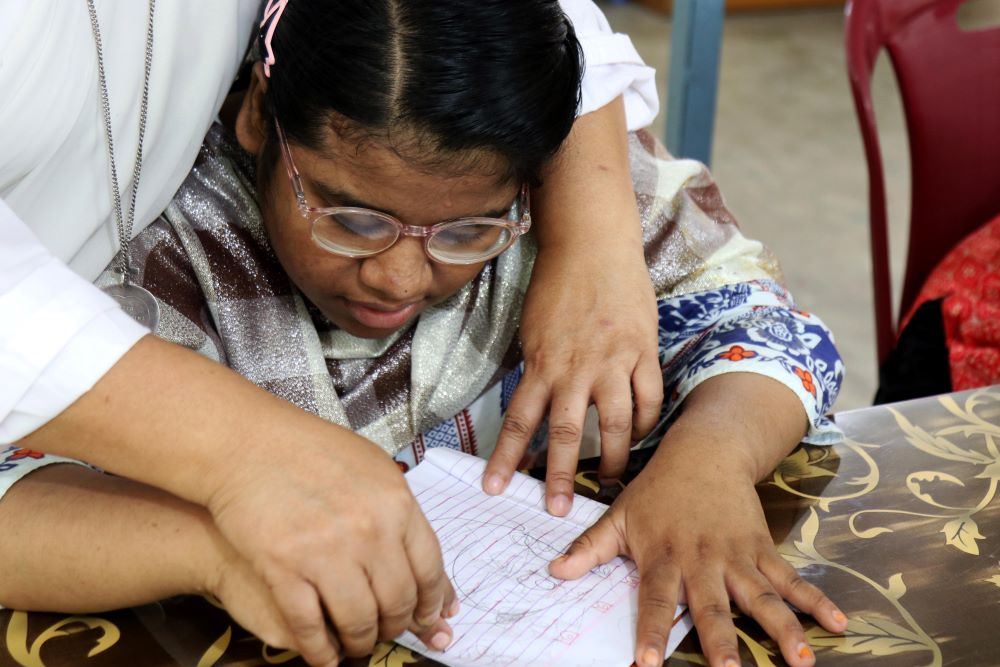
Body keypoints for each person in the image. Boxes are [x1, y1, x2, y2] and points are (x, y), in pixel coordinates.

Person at [0, 1, 849, 666]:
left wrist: (712, 458)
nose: (401, 278)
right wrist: (211, 548)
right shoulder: (160, 244)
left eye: (466, 232)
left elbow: (764, 323)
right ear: (261, 118)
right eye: (350, 217)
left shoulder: (560, 201)